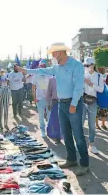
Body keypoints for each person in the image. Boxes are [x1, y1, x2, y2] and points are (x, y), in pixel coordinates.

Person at [16, 42, 89, 176]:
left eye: (54, 55)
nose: (52, 57)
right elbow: (41, 70)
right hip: (61, 104)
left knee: (78, 135)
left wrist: (73, 105)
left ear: (60, 53)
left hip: (74, 104)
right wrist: (25, 71)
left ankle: (84, 164)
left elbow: (79, 87)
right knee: (66, 134)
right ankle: (71, 159)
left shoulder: (76, 65)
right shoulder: (56, 67)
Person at [82, 57, 104, 154]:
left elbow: (101, 90)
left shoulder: (99, 76)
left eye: (88, 65)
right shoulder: (82, 74)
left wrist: (90, 83)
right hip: (82, 101)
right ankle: (81, 144)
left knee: (91, 125)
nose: (86, 67)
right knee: (80, 123)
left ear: (93, 65)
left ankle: (91, 145)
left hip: (93, 102)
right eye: (85, 65)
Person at [31, 60, 52, 137]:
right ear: (39, 66)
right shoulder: (36, 76)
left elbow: (52, 87)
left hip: (48, 99)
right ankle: (42, 130)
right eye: (41, 66)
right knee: (41, 116)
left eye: (44, 66)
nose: (43, 67)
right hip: (39, 99)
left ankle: (48, 129)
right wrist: (34, 98)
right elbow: (33, 88)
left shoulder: (49, 75)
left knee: (49, 116)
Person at [46, 75, 62, 143]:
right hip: (55, 101)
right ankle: (57, 137)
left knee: (63, 121)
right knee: (55, 120)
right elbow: (49, 92)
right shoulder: (52, 79)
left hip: (65, 102)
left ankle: (64, 136)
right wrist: (48, 103)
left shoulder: (67, 77)